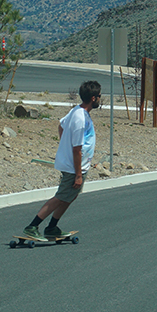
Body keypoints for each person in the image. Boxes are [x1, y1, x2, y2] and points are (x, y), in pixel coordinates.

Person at [22, 81, 101, 241]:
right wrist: (78, 174)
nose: (100, 99)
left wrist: (64, 144)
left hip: (77, 165)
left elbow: (61, 126)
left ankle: (52, 227)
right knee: (61, 196)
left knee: (70, 196)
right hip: (74, 167)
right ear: (93, 98)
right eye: (99, 96)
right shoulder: (80, 118)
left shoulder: (77, 111)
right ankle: (33, 226)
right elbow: (76, 149)